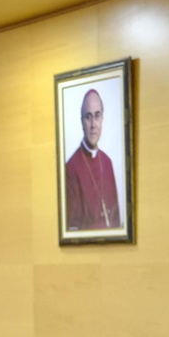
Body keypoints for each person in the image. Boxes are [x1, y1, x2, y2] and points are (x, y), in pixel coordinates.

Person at [63, 88, 122, 231]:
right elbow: (73, 228)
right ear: (82, 122)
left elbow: (116, 220)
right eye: (88, 117)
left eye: (97, 116)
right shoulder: (71, 167)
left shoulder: (107, 162)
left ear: (102, 118)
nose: (93, 125)